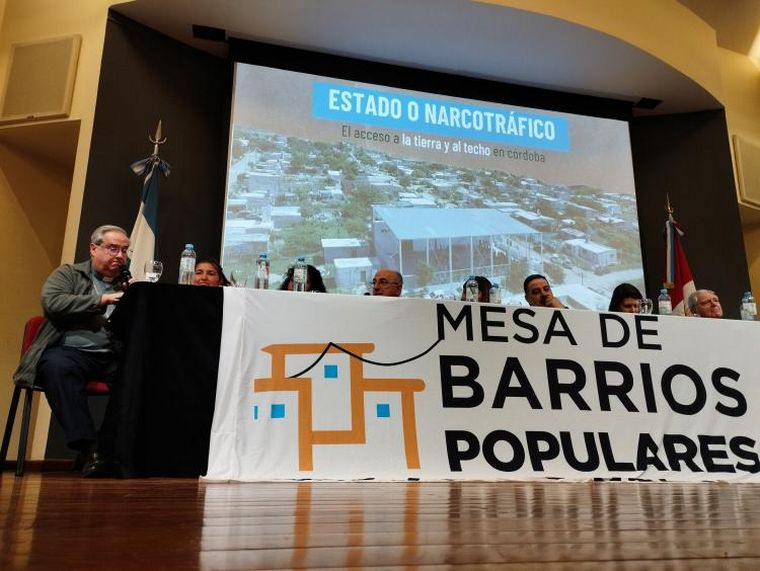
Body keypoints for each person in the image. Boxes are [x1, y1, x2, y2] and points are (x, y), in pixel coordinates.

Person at [13, 225, 131, 477]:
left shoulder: (128, 283)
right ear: (93, 248)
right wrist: (101, 300)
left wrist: (138, 298)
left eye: (124, 250)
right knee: (56, 366)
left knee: (143, 373)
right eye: (113, 248)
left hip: (111, 354)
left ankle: (113, 448)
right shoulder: (69, 274)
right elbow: (52, 303)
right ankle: (90, 450)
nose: (120, 255)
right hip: (70, 352)